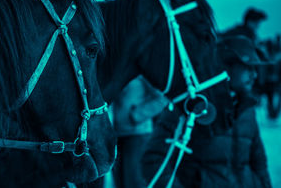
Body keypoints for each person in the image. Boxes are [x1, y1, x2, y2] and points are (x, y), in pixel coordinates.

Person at [141, 36, 272, 188]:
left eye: (255, 68)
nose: (254, 74)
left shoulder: (247, 109)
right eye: (248, 67)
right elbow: (153, 160)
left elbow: (259, 162)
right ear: (227, 67)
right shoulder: (192, 105)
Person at [111, 75, 168, 188]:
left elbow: (162, 98)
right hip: (116, 134)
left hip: (138, 135)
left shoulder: (142, 74)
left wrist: (137, 115)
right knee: (118, 181)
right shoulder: (118, 68)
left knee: (133, 180)